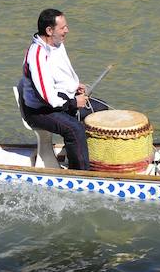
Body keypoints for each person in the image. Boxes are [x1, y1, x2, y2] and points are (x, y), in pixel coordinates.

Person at [21, 9, 108, 170]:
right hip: (39, 111)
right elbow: (47, 98)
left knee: (102, 110)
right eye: (63, 28)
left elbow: (60, 74)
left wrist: (75, 87)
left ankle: (95, 158)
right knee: (74, 130)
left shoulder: (56, 44)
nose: (67, 30)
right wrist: (74, 102)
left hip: (59, 100)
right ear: (49, 30)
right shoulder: (37, 56)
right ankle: (80, 175)